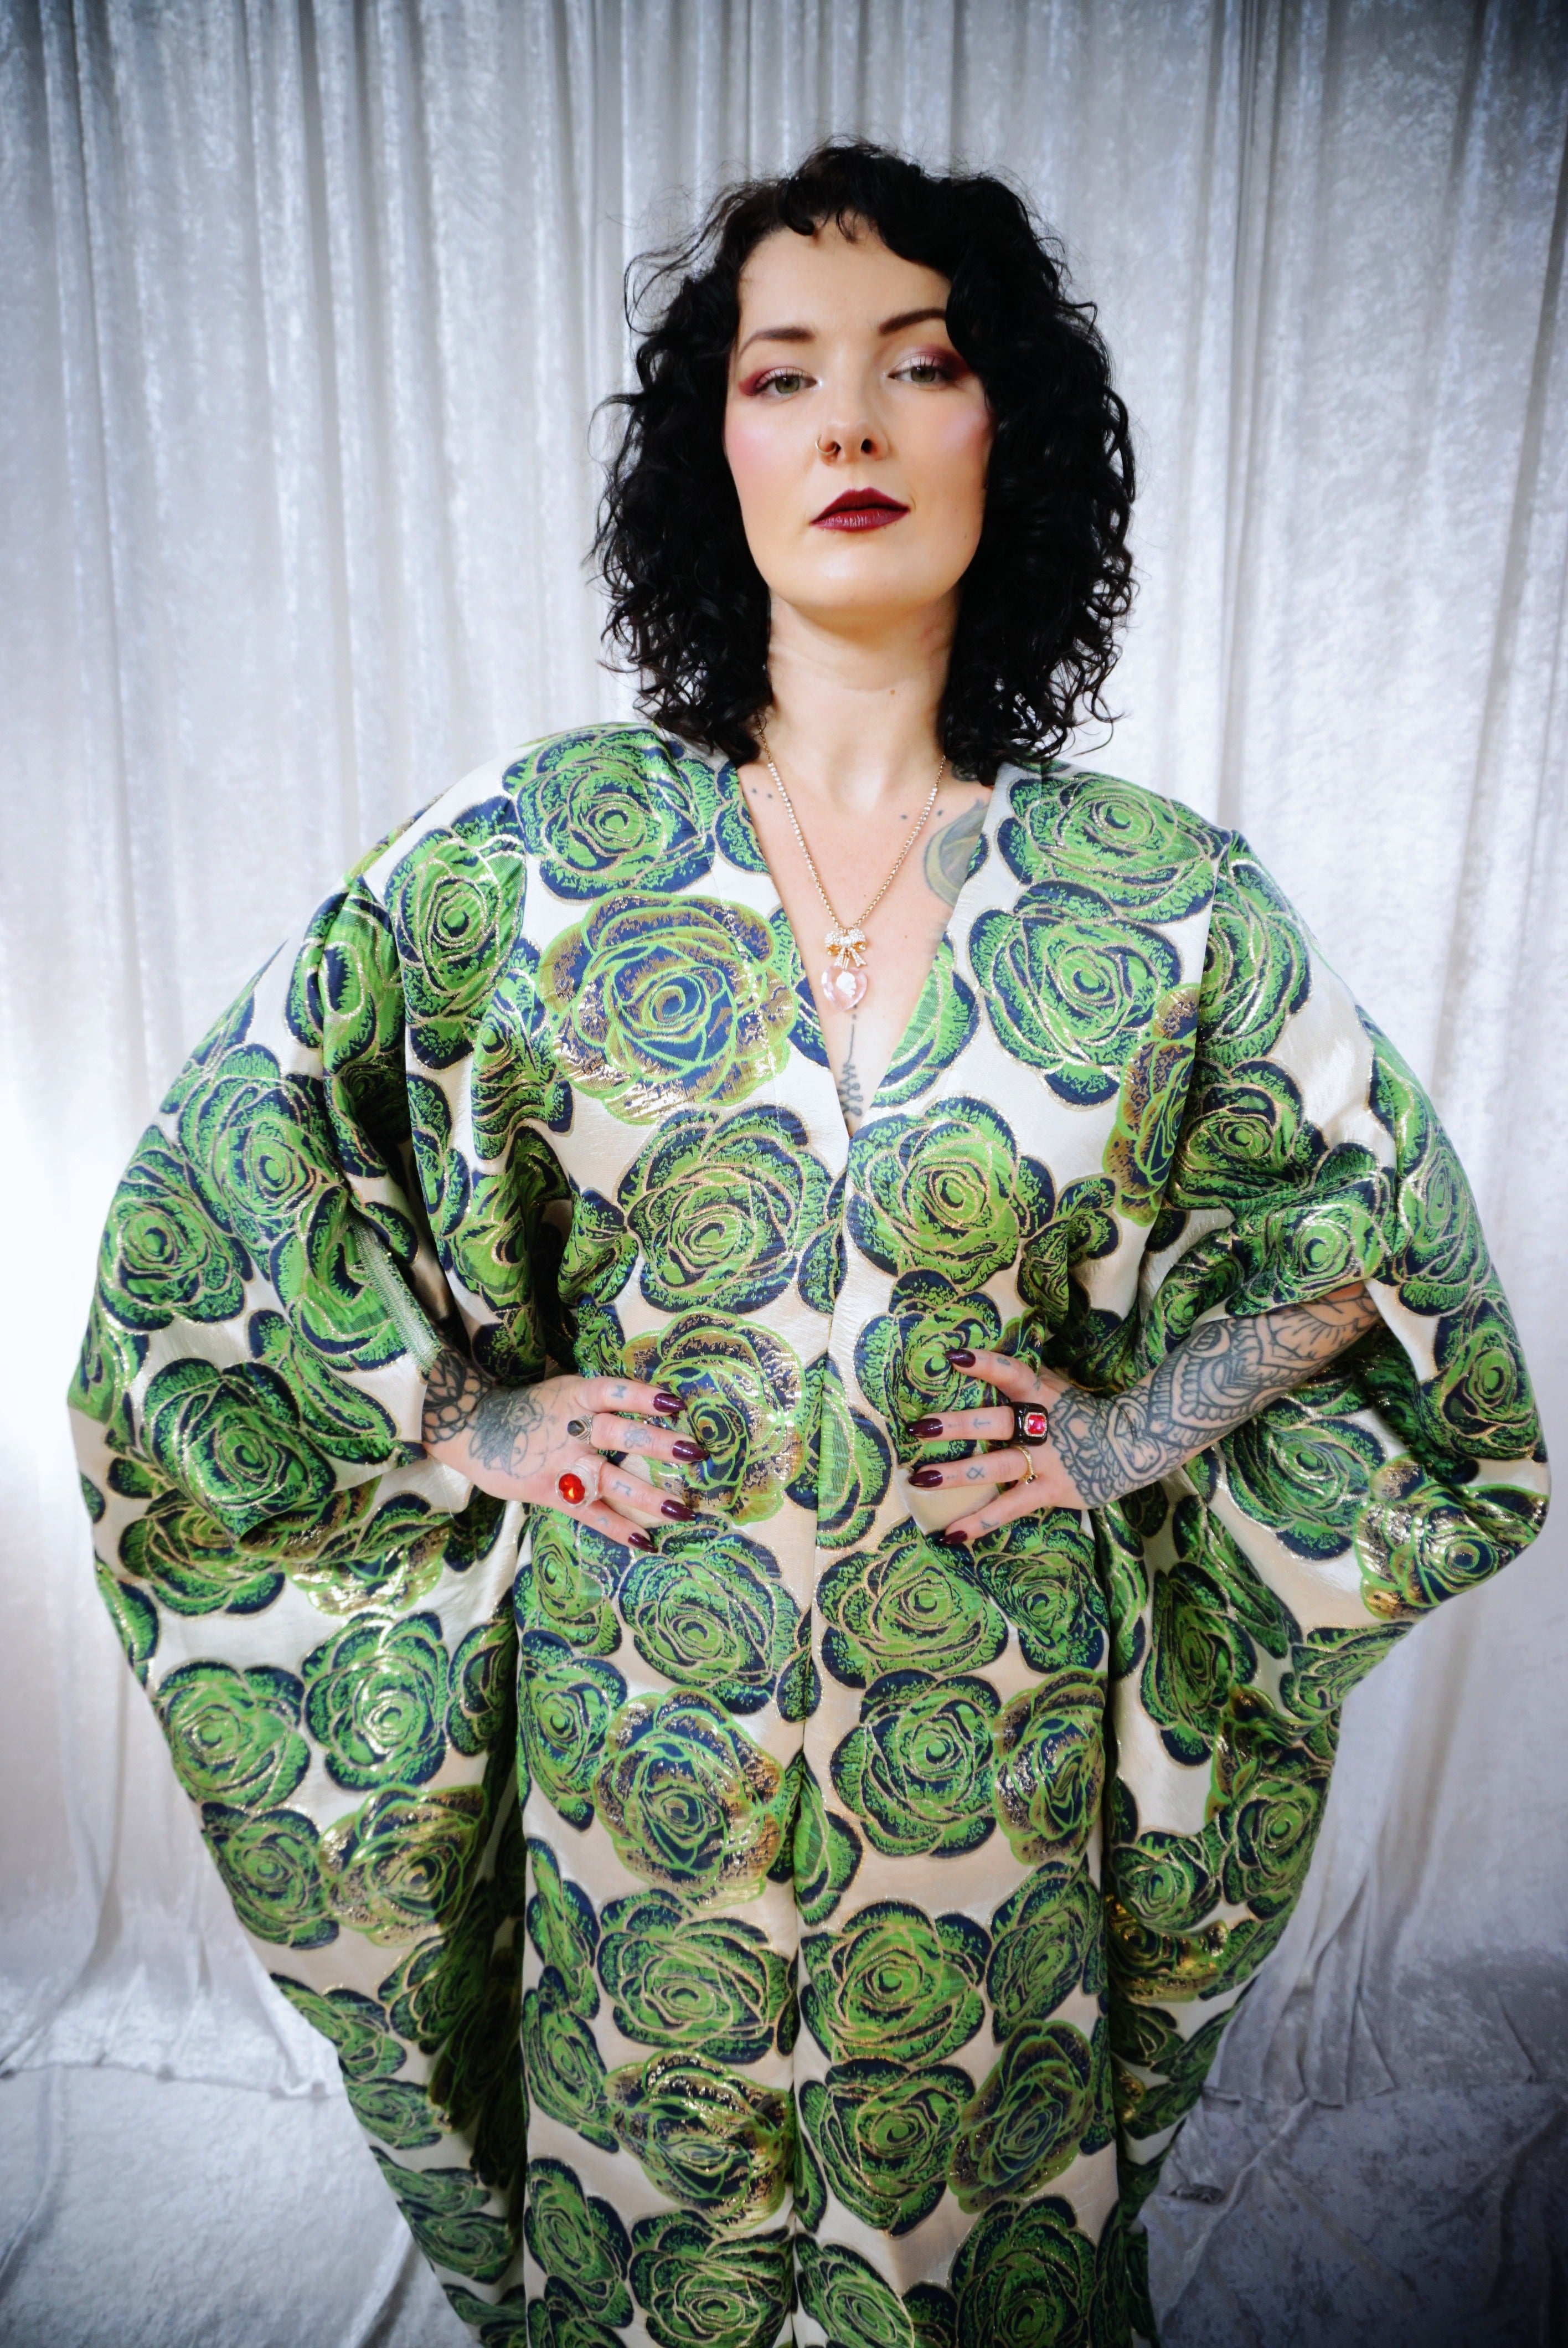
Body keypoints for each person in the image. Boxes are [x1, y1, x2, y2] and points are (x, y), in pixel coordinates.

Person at [69, 139, 1547, 2348]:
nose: (850, 420)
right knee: (656, 2253)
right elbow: (226, 1191)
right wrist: (469, 1416)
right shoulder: (530, 856)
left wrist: (1128, 1434)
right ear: (720, 452)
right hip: (632, 1758)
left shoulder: (1164, 904)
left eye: (918, 363)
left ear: (1007, 429)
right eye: (783, 375)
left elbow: (1376, 1252)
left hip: (995, 1778)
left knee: (970, 2255)